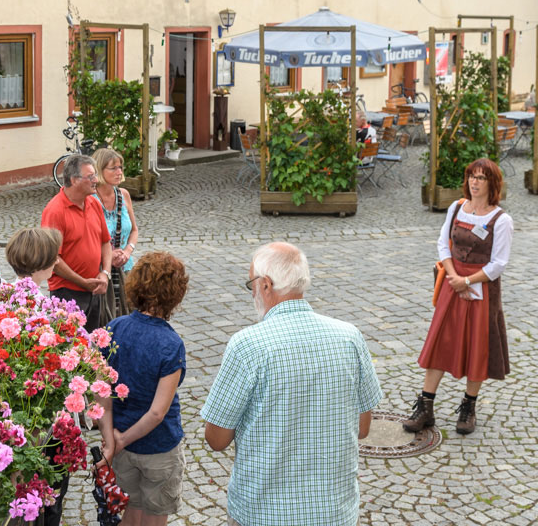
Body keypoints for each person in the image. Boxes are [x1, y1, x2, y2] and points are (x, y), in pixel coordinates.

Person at [200, 242, 382, 526]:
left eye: (251, 285)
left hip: (263, 513)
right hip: (333, 512)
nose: (252, 293)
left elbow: (217, 439)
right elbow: (363, 427)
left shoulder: (247, 345)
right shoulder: (350, 337)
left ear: (266, 285)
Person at [406, 158, 512, 435]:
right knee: (440, 341)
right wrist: (455, 279)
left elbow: (498, 264)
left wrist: (467, 281)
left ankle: (469, 406)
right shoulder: (456, 208)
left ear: (492, 183)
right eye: (472, 177)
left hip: (482, 289)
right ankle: (425, 406)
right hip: (452, 285)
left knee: (478, 345)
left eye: (481, 178)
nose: (474, 182)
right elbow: (444, 244)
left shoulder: (501, 220)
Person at [97, 252, 188, 526]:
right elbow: (158, 413)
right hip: (159, 447)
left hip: (121, 443)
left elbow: (102, 394)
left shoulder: (113, 329)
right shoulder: (171, 344)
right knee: (153, 516)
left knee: (129, 512)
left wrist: (112, 440)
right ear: (175, 295)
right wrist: (122, 440)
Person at [41, 154, 112, 331]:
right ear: (74, 180)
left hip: (94, 289)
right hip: (67, 293)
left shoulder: (93, 204)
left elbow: (105, 242)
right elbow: (53, 259)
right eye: (90, 176)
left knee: (93, 345)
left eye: (95, 175)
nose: (96, 180)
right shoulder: (55, 211)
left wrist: (105, 274)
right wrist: (81, 281)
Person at [92, 148, 139, 320]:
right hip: (100, 271)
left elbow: (134, 230)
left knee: (128, 317)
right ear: (99, 170)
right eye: (113, 168)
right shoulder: (90, 199)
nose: (119, 172)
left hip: (125, 268)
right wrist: (108, 255)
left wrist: (127, 251)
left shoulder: (124, 195)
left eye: (120, 167)